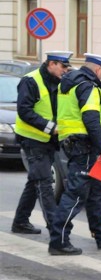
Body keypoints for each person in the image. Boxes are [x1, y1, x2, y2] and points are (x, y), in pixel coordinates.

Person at [48, 53, 101, 255]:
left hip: (75, 143)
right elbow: (91, 120)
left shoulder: (69, 83)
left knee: (96, 193)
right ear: (98, 70)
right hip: (85, 146)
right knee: (75, 194)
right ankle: (58, 241)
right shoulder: (88, 87)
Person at [12, 51, 73, 235]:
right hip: (32, 139)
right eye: (63, 66)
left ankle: (20, 222)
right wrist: (49, 127)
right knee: (45, 183)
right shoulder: (30, 80)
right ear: (51, 64)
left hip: (48, 140)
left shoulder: (60, 81)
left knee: (34, 181)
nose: (66, 70)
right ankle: (56, 230)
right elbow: (24, 110)